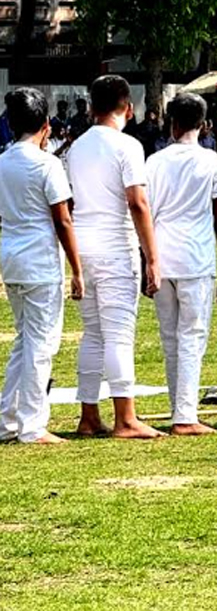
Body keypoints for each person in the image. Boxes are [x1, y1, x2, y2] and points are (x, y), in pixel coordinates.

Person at [65, 75, 163, 438]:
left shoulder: (75, 148)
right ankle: (126, 417)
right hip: (116, 248)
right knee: (120, 334)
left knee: (93, 334)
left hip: (84, 248)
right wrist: (152, 258)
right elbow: (137, 203)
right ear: (128, 108)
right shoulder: (128, 147)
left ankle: (89, 415)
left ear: (91, 107)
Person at [146, 92, 217, 435]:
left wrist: (146, 263)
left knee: (171, 338)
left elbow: (145, 215)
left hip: (161, 256)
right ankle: (184, 416)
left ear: (172, 123)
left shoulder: (154, 162)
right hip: (195, 258)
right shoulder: (212, 161)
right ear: (204, 125)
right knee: (192, 337)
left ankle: (179, 409)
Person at [0, 88, 84, 445]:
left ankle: (7, 420)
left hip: (12, 258)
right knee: (41, 344)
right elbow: (63, 220)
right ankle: (32, 426)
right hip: (39, 262)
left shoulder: (3, 161)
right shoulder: (46, 163)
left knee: (25, 342)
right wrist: (77, 270)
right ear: (46, 126)